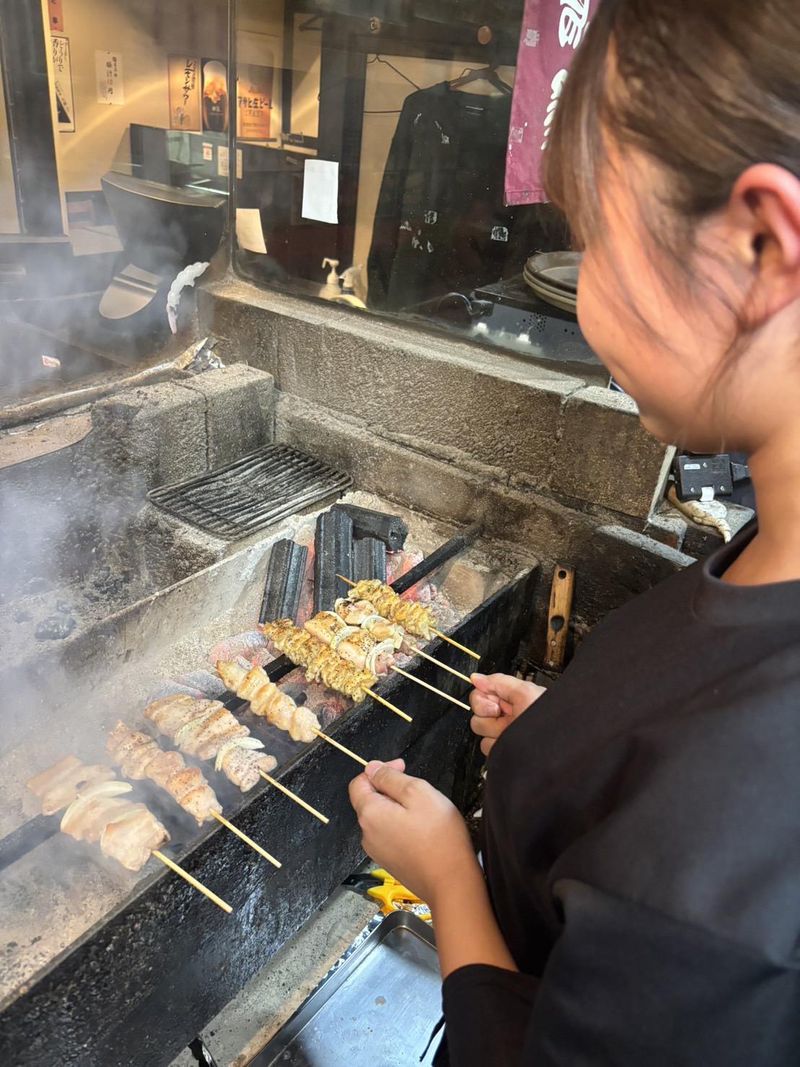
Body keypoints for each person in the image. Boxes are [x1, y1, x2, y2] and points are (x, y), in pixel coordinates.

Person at [348, 1, 800, 1063]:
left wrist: (451, 877)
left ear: (760, 244)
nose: (579, 291)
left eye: (588, 238)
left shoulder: (713, 874)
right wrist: (579, 750)